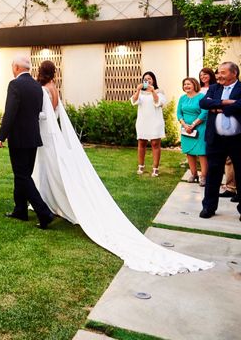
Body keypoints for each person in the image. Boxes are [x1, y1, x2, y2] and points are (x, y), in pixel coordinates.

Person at [30, 59, 213, 275]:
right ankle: (50, 199)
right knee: (53, 169)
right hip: (52, 135)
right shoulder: (54, 88)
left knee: (49, 168)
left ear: (41, 72)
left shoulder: (43, 89)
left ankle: (49, 200)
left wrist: (38, 117)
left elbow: (47, 114)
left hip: (46, 134)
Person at [0, 54, 55, 229]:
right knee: (23, 175)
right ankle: (20, 209)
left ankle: (44, 213)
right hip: (33, 137)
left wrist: (1, 137)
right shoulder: (37, 87)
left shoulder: (15, 84)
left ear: (16, 68)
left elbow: (10, 113)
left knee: (22, 176)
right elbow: (37, 111)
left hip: (19, 139)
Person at [198, 61, 241, 219]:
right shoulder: (215, 88)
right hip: (215, 139)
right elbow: (203, 103)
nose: (219, 75)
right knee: (213, 174)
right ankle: (208, 207)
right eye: (218, 72)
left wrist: (216, 107)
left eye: (223, 72)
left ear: (234, 73)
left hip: (237, 140)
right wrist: (224, 103)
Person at [130, 71, 166, 177]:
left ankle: (155, 168)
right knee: (141, 143)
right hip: (143, 121)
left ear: (153, 80)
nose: (147, 81)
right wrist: (137, 90)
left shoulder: (159, 91)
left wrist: (153, 91)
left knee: (155, 144)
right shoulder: (140, 92)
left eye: (149, 79)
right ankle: (141, 166)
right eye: (145, 79)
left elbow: (158, 103)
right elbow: (133, 101)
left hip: (155, 121)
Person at [176, 77, 208, 185]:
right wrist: (185, 125)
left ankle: (203, 176)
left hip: (200, 128)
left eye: (189, 84)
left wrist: (193, 124)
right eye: (185, 84)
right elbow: (179, 113)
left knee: (201, 153)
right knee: (189, 152)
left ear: (194, 84)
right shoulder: (182, 98)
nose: (186, 86)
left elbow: (204, 112)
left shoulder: (201, 97)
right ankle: (194, 174)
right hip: (186, 129)